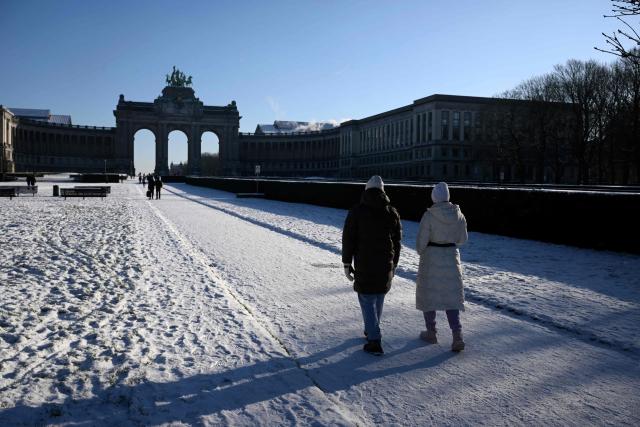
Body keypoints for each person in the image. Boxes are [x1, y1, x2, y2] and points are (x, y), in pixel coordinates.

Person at [342, 175, 402, 355]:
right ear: (383, 191)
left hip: (364, 262)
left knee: (367, 298)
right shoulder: (391, 212)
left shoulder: (357, 211)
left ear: (366, 190)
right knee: (378, 296)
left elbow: (348, 239)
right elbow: (397, 241)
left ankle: (374, 339)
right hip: (385, 262)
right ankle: (371, 329)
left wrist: (346, 262)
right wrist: (395, 263)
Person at [415, 182, 468, 352]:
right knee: (451, 297)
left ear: (434, 197)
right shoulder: (458, 214)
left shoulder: (429, 215)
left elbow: (420, 243)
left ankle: (431, 332)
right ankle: (457, 335)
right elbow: (463, 239)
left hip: (431, 257)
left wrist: (421, 250)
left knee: (429, 295)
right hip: (451, 258)